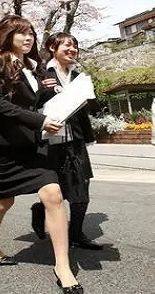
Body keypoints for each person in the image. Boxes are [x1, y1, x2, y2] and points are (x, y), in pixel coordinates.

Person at [0, 14, 83, 294]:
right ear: (7, 36)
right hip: (3, 147)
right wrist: (39, 121)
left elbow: (36, 103)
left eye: (31, 34)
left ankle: (62, 265)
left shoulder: (34, 68)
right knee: (3, 201)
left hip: (34, 144)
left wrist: (59, 95)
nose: (28, 38)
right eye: (21, 33)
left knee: (53, 194)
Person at [30, 32, 103, 250]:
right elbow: (31, 104)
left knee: (82, 189)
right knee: (57, 190)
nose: (72, 50)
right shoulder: (41, 73)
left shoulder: (78, 76)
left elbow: (89, 107)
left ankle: (76, 233)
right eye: (67, 46)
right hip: (51, 140)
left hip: (76, 139)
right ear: (53, 48)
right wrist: (45, 91)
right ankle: (40, 210)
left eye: (75, 46)